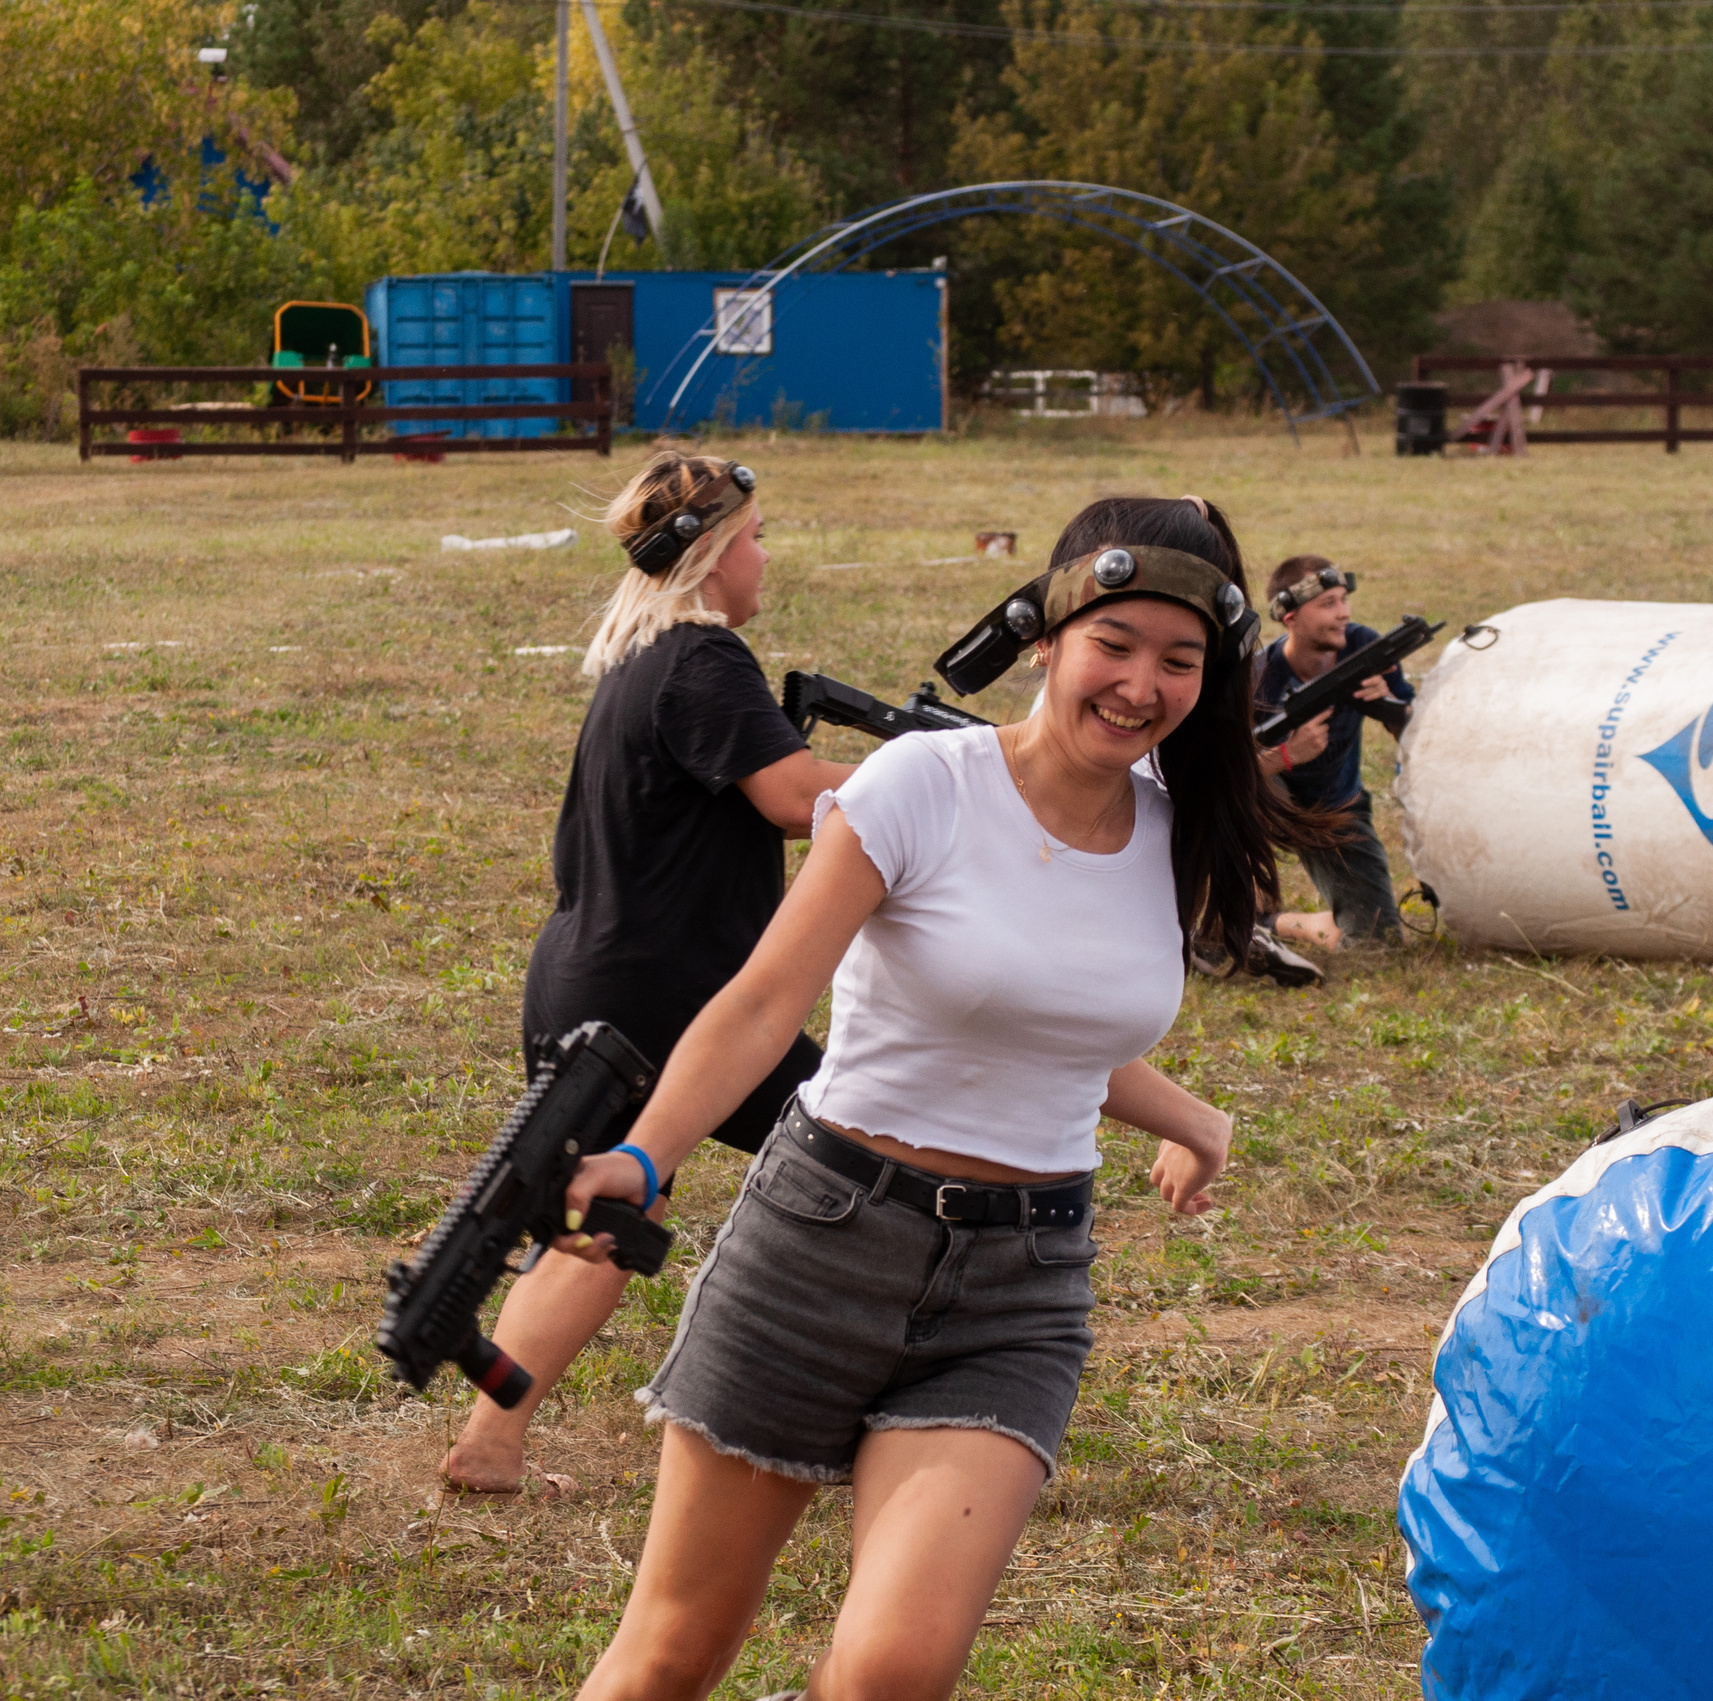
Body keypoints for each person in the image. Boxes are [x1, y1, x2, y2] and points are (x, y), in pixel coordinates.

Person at [550, 495, 1323, 1701]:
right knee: (672, 1652)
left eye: (1180, 661)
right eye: (1113, 645)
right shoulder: (924, 784)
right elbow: (763, 1005)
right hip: (821, 1244)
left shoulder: (1176, 834)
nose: (1140, 685)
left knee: (894, 1671)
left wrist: (1191, 1116)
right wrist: (641, 1162)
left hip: (1016, 1289)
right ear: (1046, 638)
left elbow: (1045, 1021)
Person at [439, 451, 853, 1497]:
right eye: (756, 537)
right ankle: (865, 1395)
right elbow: (798, 798)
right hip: (669, 996)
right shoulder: (704, 659)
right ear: (712, 555)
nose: (766, 558)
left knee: (611, 1221)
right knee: (861, 1153)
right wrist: (951, 774)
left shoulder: (644, 658)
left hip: (594, 976)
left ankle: (490, 1440)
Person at [1251, 556, 1414, 950]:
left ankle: (1280, 924)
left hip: (1338, 808)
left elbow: (1414, 734)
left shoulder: (1363, 647)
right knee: (1242, 796)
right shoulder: (1257, 680)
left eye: (1343, 600)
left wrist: (1390, 704)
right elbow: (1221, 774)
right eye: (1328, 604)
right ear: (1289, 617)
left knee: (1379, 943)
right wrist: (1288, 755)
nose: (1343, 613)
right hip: (1269, 806)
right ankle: (1245, 904)